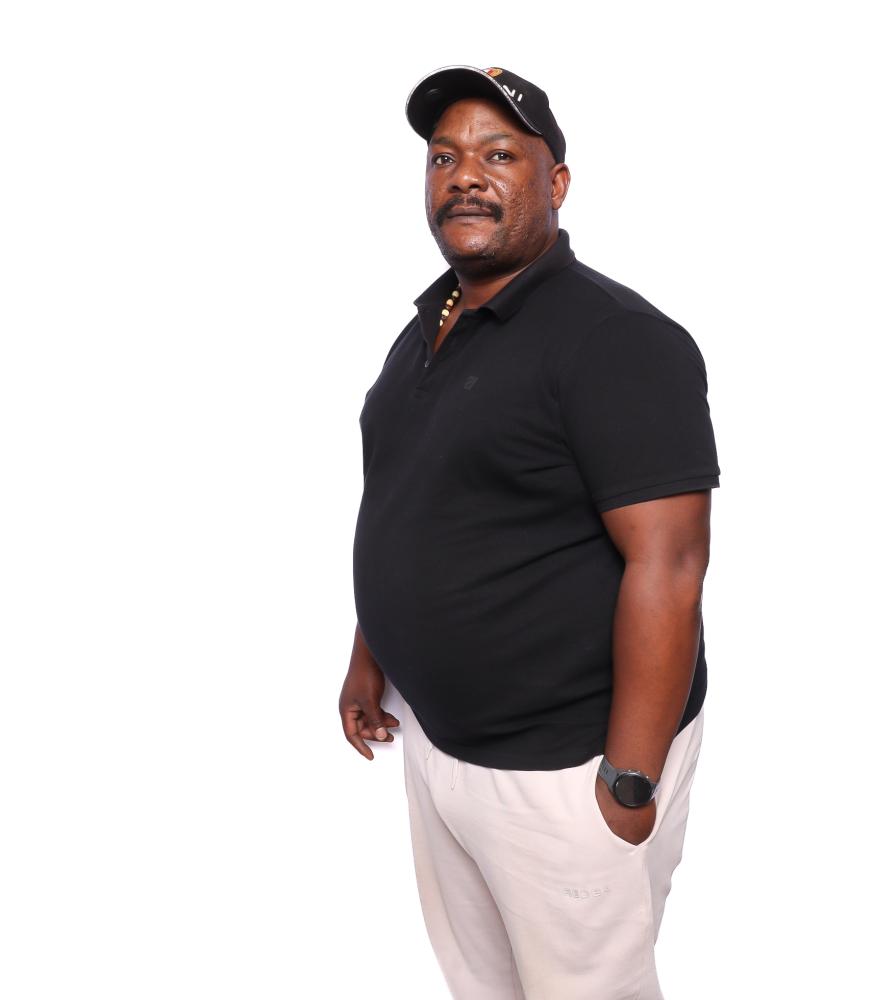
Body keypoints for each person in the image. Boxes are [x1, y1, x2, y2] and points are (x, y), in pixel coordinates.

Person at [339, 64, 721, 1000]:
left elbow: (670, 565)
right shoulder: (435, 320)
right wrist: (369, 657)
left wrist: (627, 785)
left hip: (562, 769)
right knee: (485, 987)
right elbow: (409, 497)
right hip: (438, 742)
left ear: (556, 182)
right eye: (443, 158)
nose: (465, 176)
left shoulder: (616, 339)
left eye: (499, 155)